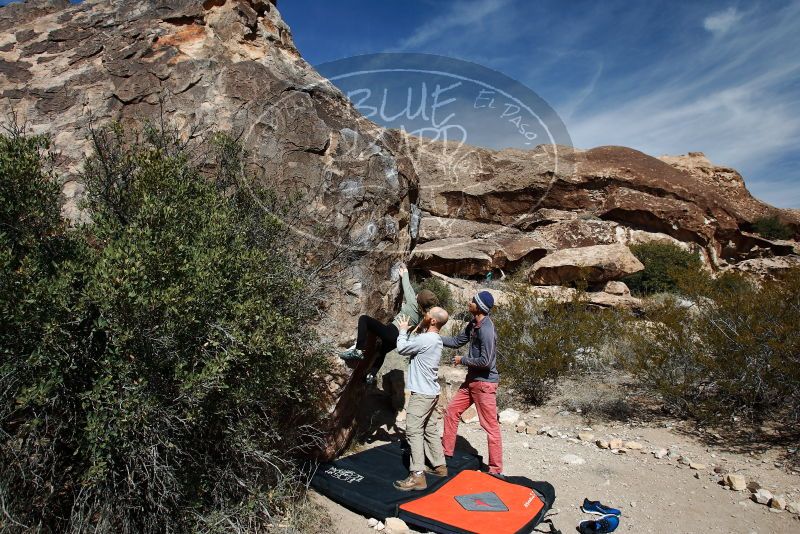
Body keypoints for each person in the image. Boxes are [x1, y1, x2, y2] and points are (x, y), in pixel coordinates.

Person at [340, 265, 438, 384]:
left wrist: (405, 273)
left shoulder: (412, 301)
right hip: (398, 340)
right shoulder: (424, 314)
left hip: (392, 332)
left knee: (364, 319)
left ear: (419, 299)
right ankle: (371, 375)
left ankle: (358, 350)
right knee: (381, 352)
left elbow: (407, 287)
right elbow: (412, 293)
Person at [440, 291, 503, 476]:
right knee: (451, 412)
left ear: (480, 307)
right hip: (471, 382)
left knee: (491, 427)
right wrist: (434, 337)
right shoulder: (473, 324)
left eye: (473, 301)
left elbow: (486, 361)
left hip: (484, 384)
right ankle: (446, 454)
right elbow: (456, 341)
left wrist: (463, 360)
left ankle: (496, 471)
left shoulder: (486, 329)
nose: (469, 302)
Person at [392, 307, 450, 491]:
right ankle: (439, 465)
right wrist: (415, 331)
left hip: (422, 393)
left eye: (427, 314)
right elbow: (416, 347)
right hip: (432, 392)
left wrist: (402, 330)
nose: (424, 315)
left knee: (413, 430)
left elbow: (401, 348)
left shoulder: (426, 339)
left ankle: (417, 475)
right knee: (430, 428)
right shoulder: (435, 339)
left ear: (433, 321)